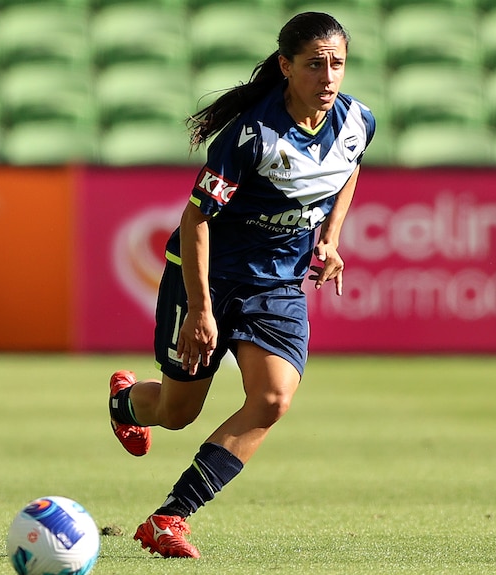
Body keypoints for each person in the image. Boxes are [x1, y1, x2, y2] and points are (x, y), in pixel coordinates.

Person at [108, 11, 376, 559]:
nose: (328, 77)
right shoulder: (252, 135)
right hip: (205, 280)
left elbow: (349, 168)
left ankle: (169, 517)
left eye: (338, 65)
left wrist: (330, 238)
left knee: (273, 398)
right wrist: (202, 309)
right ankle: (126, 404)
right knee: (178, 413)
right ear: (285, 66)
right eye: (315, 65)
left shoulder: (357, 121)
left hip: (277, 287)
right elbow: (195, 220)